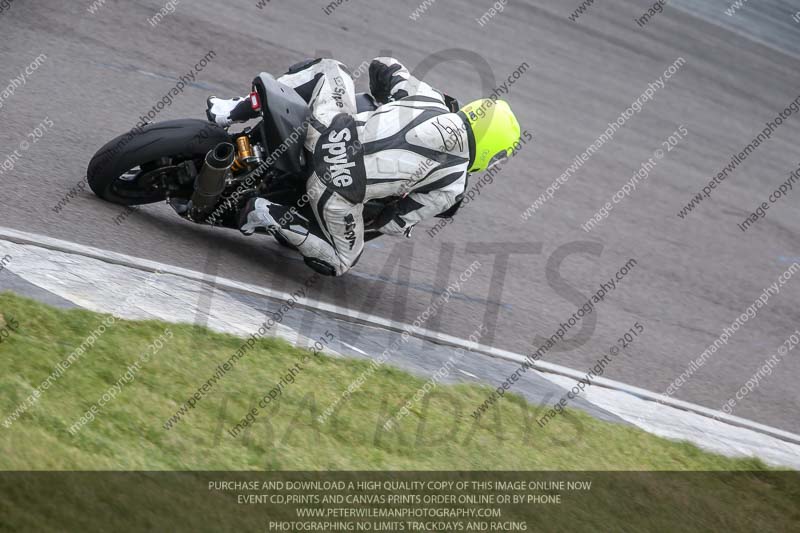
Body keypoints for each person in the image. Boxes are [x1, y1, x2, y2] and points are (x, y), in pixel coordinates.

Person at [206, 57, 520, 276]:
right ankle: (264, 212)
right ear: (490, 150)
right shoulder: (452, 185)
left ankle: (230, 110)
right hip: (336, 186)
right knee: (343, 259)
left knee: (330, 69)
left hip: (326, 132)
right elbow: (392, 223)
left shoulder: (429, 98)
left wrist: (390, 96)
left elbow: (383, 65)